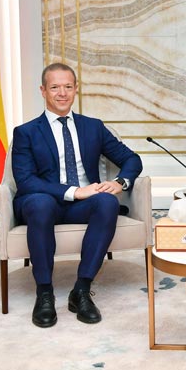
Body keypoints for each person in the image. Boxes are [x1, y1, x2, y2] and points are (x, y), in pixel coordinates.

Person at [12, 63, 142, 328]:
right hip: (43, 202)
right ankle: (44, 293)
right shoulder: (26, 132)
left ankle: (81, 290)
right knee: (40, 203)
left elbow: (131, 159)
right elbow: (26, 181)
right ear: (43, 90)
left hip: (83, 205)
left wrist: (120, 182)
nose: (62, 93)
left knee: (107, 201)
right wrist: (75, 191)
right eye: (55, 87)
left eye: (68, 86)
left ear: (76, 89)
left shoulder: (93, 127)